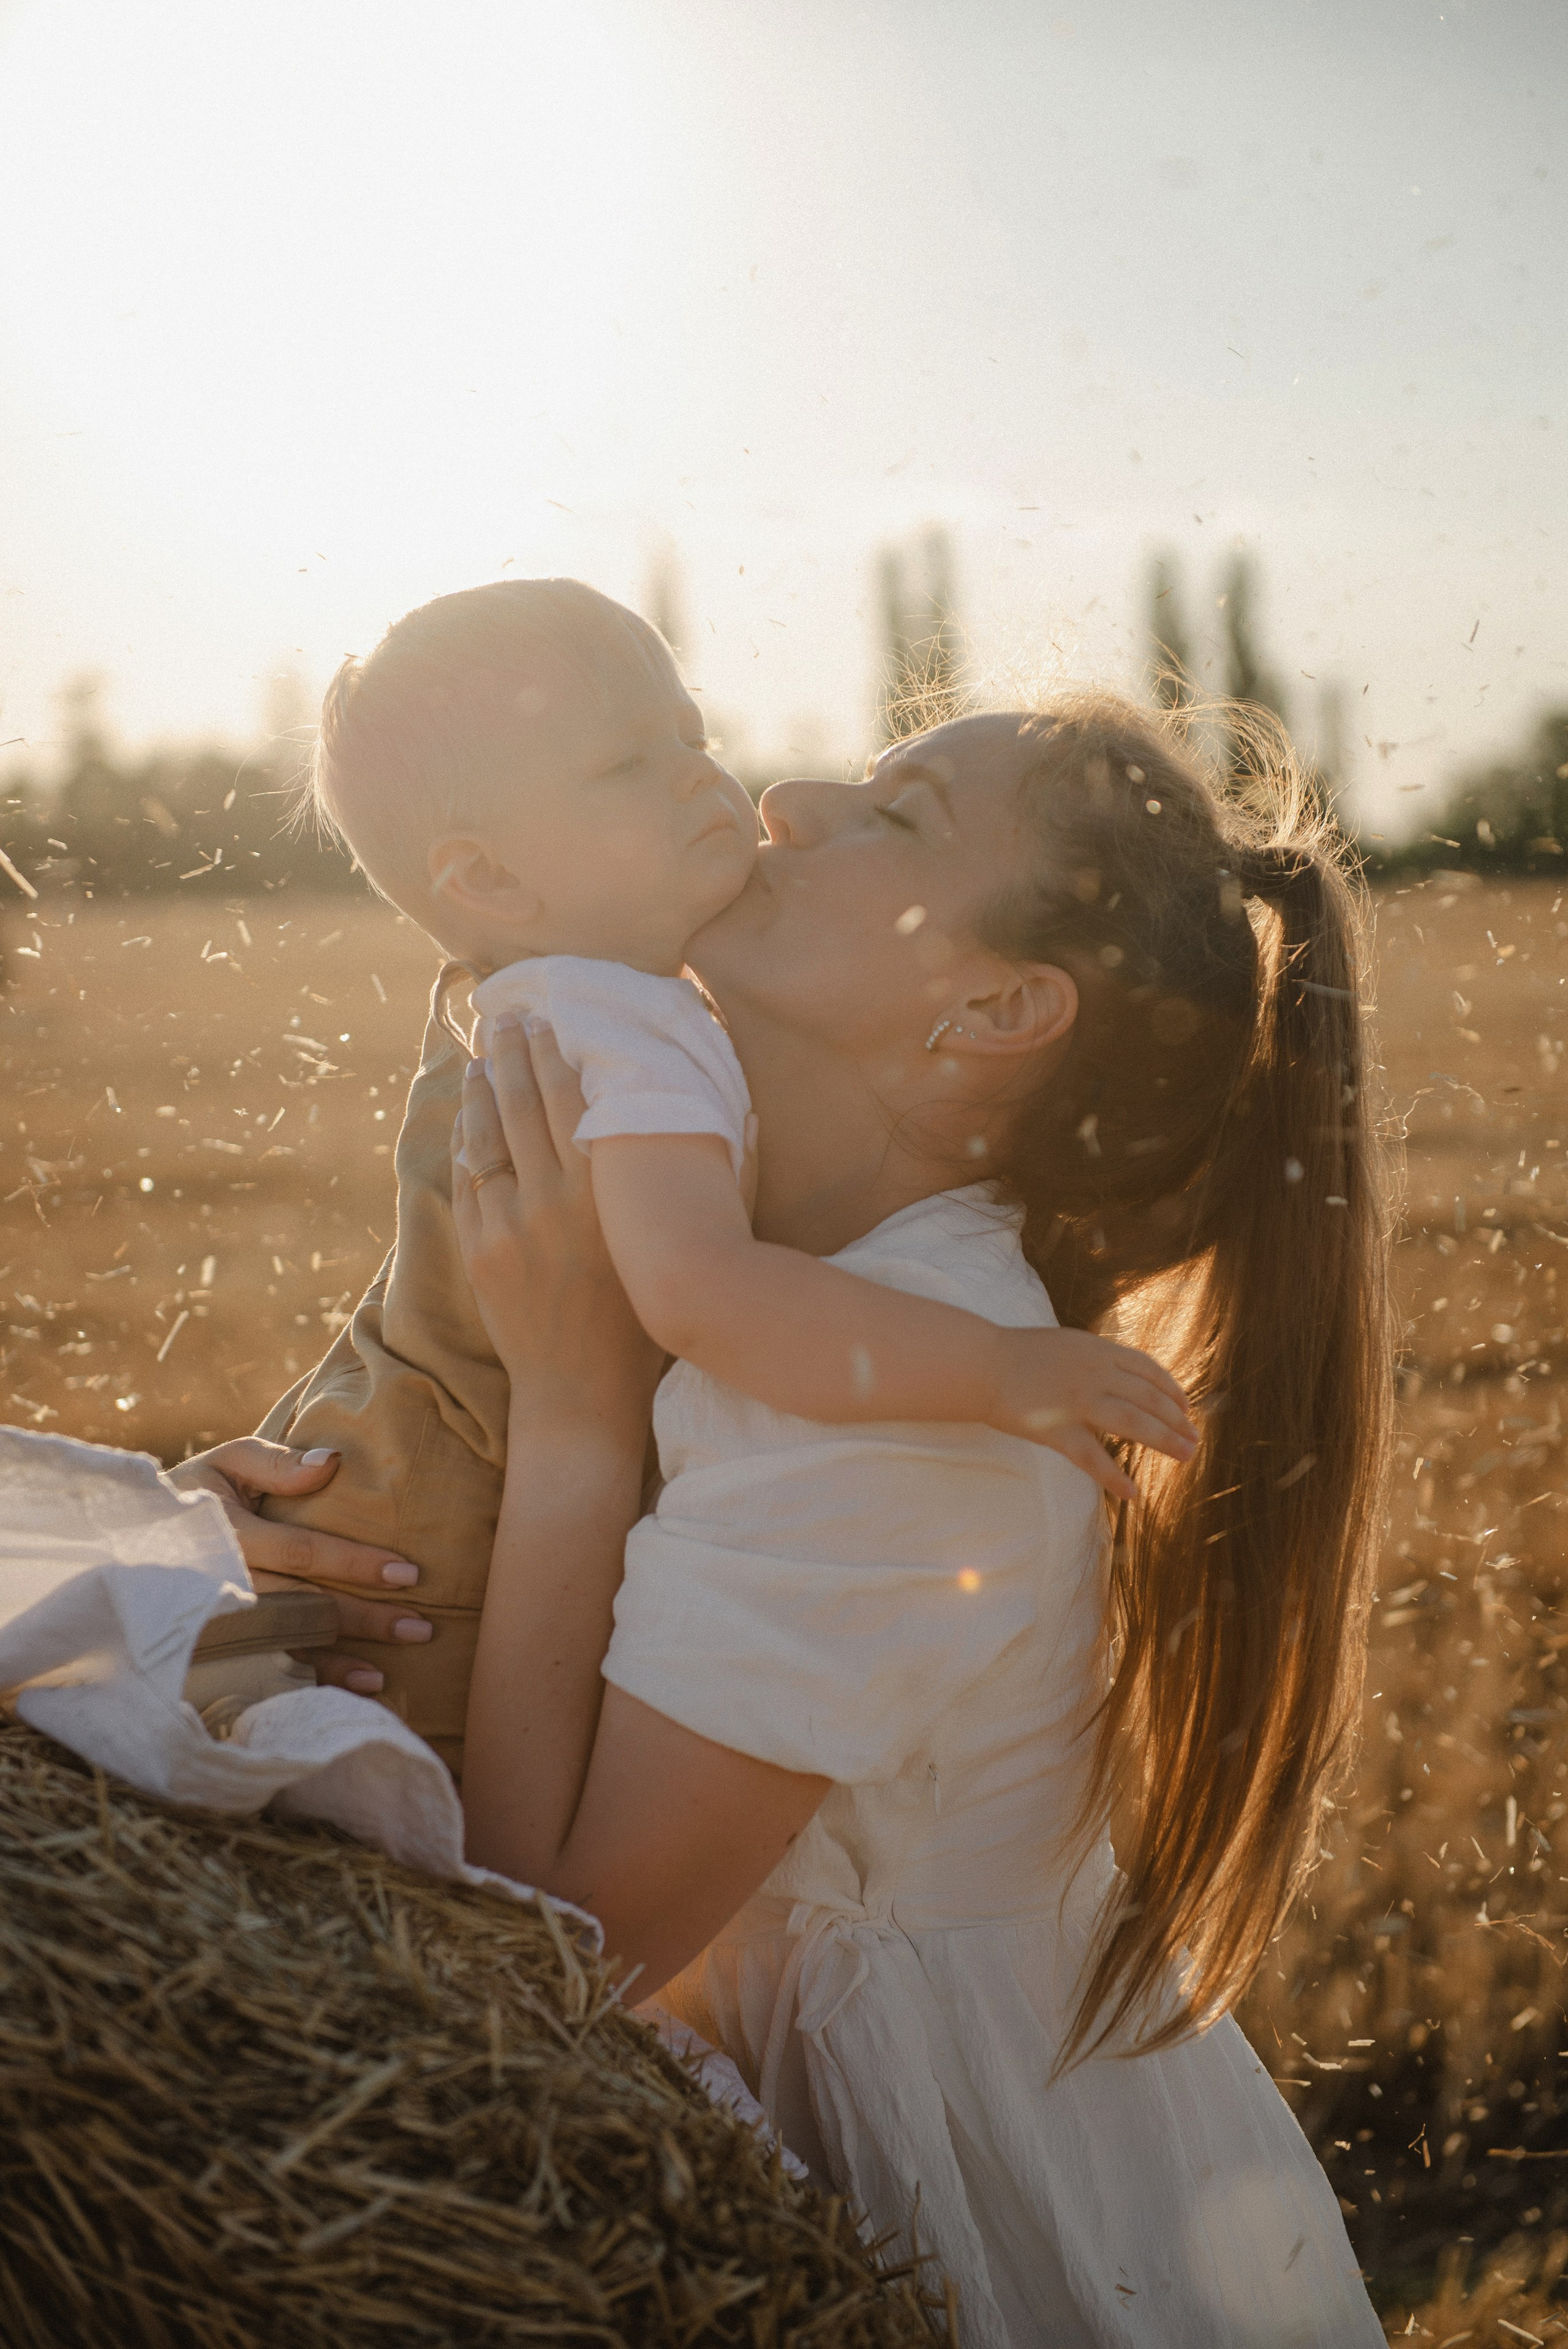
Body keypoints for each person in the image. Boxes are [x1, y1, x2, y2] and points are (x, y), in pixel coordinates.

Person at [435, 695, 1392, 2347]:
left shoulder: (902, 1425)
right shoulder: (764, 1281)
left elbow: (546, 1952)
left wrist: (576, 1417)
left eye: (897, 814)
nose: (784, 800)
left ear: (995, 1007)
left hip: (925, 2226)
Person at [252, 579, 1194, 1773]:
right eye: (625, 766)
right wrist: (995, 1368)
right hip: (427, 1586)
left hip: (413, 1539)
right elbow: (703, 1289)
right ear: (487, 884)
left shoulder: (584, 1004)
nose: (743, 789)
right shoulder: (614, 1026)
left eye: (689, 737)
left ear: (1002, 1004)